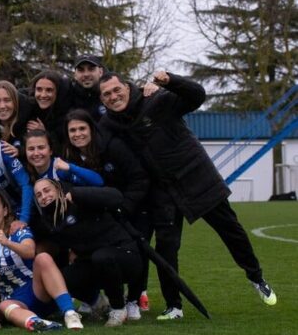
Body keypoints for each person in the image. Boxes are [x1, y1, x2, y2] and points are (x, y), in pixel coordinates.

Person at [98, 70, 277, 317]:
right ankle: (174, 306)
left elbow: (197, 96)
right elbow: (95, 144)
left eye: (117, 90)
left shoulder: (157, 100)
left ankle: (256, 277)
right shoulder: (109, 124)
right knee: (166, 247)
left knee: (230, 229)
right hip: (161, 189)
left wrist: (170, 80)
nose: (113, 96)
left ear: (128, 88)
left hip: (196, 177)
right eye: (106, 94)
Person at [62, 108, 151, 317]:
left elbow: (139, 179)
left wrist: (125, 208)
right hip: (96, 222)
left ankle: (132, 300)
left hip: (127, 211)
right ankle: (96, 299)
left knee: (134, 248)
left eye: (82, 128)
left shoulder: (112, 148)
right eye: (72, 130)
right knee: (89, 262)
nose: (77, 134)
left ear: (92, 129)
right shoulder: (68, 158)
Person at [33, 178, 144, 327]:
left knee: (102, 257)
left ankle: (118, 308)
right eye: (39, 195)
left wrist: (78, 194)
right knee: (63, 277)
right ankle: (98, 303)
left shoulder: (78, 199)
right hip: (93, 263)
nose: (44, 196)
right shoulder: (48, 221)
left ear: (59, 190)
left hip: (125, 256)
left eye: (47, 190)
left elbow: (116, 196)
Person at [0, 192, 82, 331]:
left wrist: (6, 242)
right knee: (4, 305)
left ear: (5, 211)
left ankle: (69, 313)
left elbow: (30, 251)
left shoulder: (17, 230)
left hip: (38, 290)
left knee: (43, 258)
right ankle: (38, 323)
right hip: (15, 299)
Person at [23, 130, 104, 186]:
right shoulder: (26, 173)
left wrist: (71, 167)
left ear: (50, 150)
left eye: (41, 148)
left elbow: (99, 181)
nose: (36, 153)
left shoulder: (61, 170)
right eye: (31, 149)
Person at [17, 70, 72, 152]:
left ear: (57, 92)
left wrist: (44, 132)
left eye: (49, 90)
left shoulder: (67, 114)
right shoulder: (26, 107)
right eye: (39, 89)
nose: (43, 95)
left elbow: (63, 148)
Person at [0, 80, 33, 155]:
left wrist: (19, 151)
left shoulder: (28, 123)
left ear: (15, 102)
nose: (2, 106)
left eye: (7, 100)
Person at [68, 55, 106, 120]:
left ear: (100, 72)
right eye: (81, 70)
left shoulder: (110, 94)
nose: (86, 74)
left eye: (91, 69)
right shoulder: (67, 97)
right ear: (75, 75)